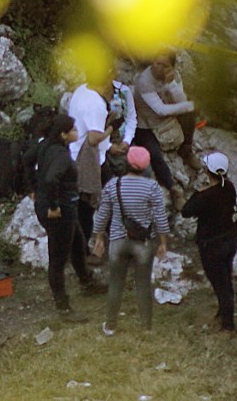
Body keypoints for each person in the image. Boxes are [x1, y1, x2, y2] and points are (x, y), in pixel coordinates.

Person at [22, 114, 106, 322]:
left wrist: (32, 187)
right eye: (74, 130)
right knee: (58, 259)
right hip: (59, 211)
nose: (77, 132)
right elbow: (51, 179)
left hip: (52, 206)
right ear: (64, 135)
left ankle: (87, 281)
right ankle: (64, 308)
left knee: (77, 241)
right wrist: (54, 206)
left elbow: (25, 161)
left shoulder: (45, 146)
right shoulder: (60, 156)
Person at [92, 146, 170, 335]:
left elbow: (102, 214)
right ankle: (146, 328)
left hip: (118, 241)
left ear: (127, 163)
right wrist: (163, 242)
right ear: (145, 167)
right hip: (142, 243)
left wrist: (99, 238)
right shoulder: (152, 187)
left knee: (116, 283)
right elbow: (160, 217)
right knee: (143, 284)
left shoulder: (114, 184)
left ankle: (110, 326)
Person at [133, 51, 202, 211]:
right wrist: (189, 106)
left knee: (188, 114)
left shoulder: (174, 76)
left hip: (166, 117)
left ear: (172, 67)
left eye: (165, 65)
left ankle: (186, 150)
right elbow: (160, 110)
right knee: (154, 154)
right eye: (157, 63)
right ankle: (174, 190)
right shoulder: (144, 81)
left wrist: (171, 84)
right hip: (146, 123)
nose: (159, 68)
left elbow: (180, 100)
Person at [181, 152, 237, 335]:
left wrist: (198, 192)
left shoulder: (205, 196)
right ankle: (224, 313)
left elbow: (186, 211)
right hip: (229, 239)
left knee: (219, 284)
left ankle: (228, 324)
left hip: (211, 245)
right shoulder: (229, 187)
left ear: (207, 171)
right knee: (226, 279)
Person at [68, 79, 114, 244]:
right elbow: (94, 138)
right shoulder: (96, 103)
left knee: (83, 206)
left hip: (75, 154)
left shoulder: (81, 90)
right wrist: (109, 129)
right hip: (90, 161)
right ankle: (109, 240)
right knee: (98, 202)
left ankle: (82, 246)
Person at [102, 78, 138, 181]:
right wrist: (108, 146)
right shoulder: (92, 95)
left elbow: (131, 118)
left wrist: (127, 141)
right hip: (102, 140)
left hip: (121, 137)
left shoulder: (124, 91)